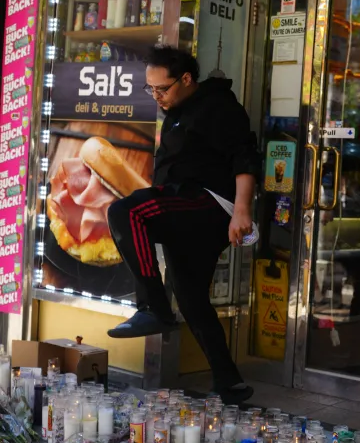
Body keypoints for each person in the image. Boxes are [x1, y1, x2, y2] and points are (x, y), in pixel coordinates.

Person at [106, 45, 261, 404]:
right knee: (191, 297)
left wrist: (241, 210)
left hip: (209, 203)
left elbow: (245, 156)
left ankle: (153, 308)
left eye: (162, 89)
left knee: (124, 212)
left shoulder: (218, 106)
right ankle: (230, 383)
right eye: (151, 90)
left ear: (187, 79)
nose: (157, 97)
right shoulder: (175, 111)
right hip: (182, 207)